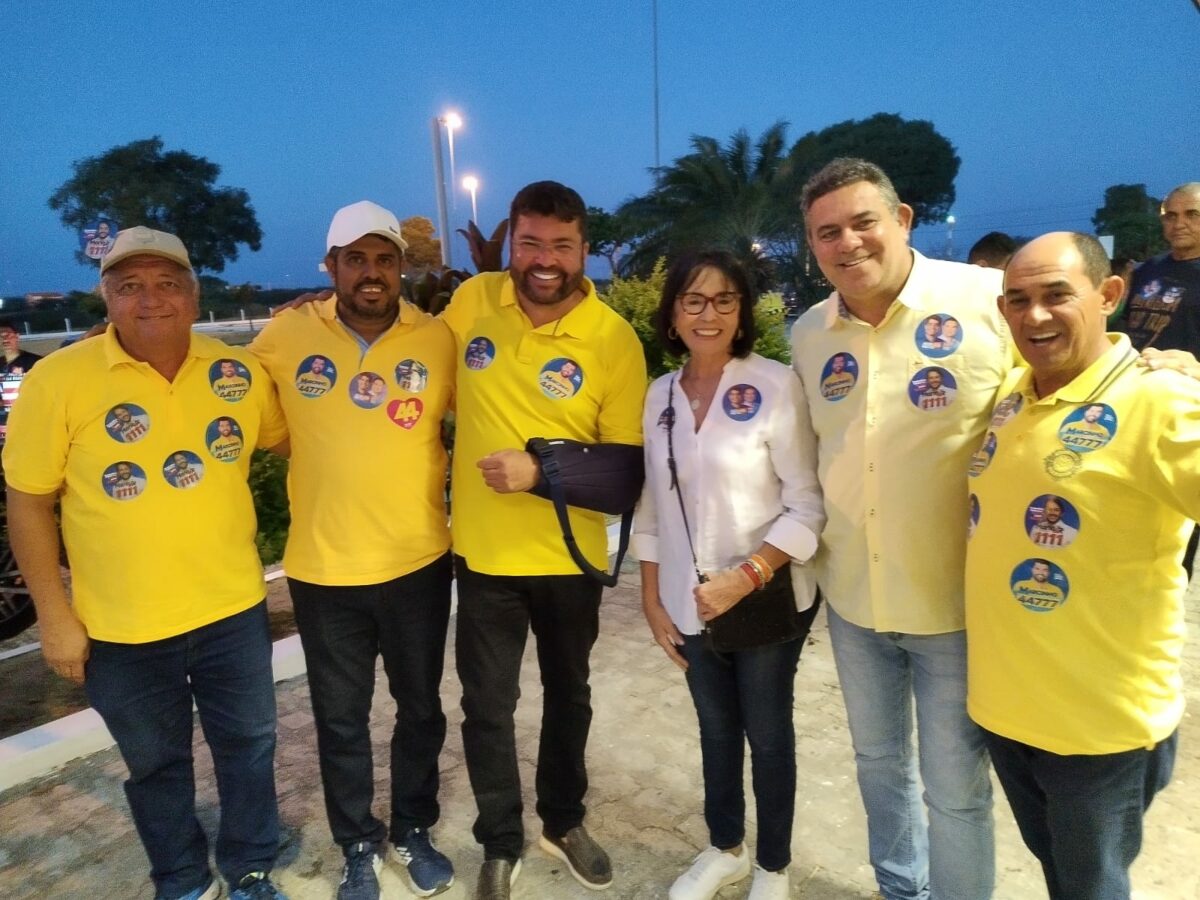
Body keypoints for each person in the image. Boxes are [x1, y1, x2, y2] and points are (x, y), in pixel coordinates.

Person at [2, 226, 290, 900]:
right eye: (130, 285)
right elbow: (28, 503)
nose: (150, 299)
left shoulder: (236, 371)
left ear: (194, 295)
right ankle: (182, 879)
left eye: (167, 283)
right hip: (121, 629)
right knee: (157, 765)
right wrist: (54, 616)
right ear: (105, 297)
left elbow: (292, 442)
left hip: (232, 611)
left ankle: (250, 867)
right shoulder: (60, 380)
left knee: (250, 750)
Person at [790, 158, 1006, 900]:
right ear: (812, 246)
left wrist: (1157, 367)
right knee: (878, 765)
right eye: (827, 233)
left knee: (956, 790)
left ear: (903, 219)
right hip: (855, 602)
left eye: (863, 222)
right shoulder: (809, 334)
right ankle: (899, 889)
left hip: (953, 605)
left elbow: (1068, 376)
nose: (847, 243)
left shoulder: (985, 300)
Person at [966, 231, 1200, 899]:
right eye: (1018, 300)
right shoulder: (1012, 394)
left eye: (1056, 295)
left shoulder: (1161, 401)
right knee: (1059, 875)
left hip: (1099, 730)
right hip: (1007, 710)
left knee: (1091, 888)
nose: (1035, 315)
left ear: (1109, 295)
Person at [440, 181, 646, 900]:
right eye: (530, 243)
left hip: (570, 559)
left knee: (569, 695)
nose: (545, 259)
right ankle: (501, 841)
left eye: (561, 245)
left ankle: (563, 820)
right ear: (512, 242)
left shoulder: (612, 338)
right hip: (485, 556)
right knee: (487, 708)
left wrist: (542, 471)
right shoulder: (472, 303)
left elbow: (626, 470)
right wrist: (318, 310)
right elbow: (405, 349)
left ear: (583, 249)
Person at [250, 200, 457, 900]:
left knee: (420, 709)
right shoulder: (285, 334)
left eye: (384, 259)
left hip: (417, 564)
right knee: (341, 721)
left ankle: (413, 828)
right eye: (356, 259)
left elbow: (481, 413)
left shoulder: (437, 338)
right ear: (331, 266)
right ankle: (357, 844)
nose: (372, 273)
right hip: (323, 571)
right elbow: (229, 396)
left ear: (401, 267)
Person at [633, 250, 824, 900]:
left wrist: (747, 575)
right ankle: (725, 849)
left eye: (723, 300)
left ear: (741, 312)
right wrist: (652, 597)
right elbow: (653, 504)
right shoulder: (659, 396)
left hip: (765, 599)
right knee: (716, 732)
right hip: (689, 602)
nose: (708, 314)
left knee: (767, 737)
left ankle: (773, 867)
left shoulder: (774, 384)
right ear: (673, 314)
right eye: (693, 300)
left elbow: (808, 504)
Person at [0, 319, 42, 439]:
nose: (5, 339)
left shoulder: (36, 362)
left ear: (17, 336)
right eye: (1, 337)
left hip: (30, 417)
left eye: (8, 335)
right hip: (5, 421)